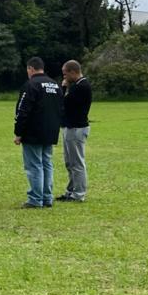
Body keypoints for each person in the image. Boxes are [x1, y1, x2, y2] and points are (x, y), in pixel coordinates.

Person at [14, 57, 63, 208]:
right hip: (51, 130)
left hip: (33, 131)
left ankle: (35, 199)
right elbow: (61, 108)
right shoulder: (55, 85)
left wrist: (18, 132)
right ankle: (47, 197)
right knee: (47, 163)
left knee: (34, 165)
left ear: (31, 69)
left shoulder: (31, 85)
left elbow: (23, 110)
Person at [58, 59, 92, 202]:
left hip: (76, 128)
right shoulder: (77, 85)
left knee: (77, 163)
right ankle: (71, 191)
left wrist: (64, 88)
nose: (64, 77)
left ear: (73, 72)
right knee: (69, 162)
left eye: (65, 74)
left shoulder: (81, 86)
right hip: (70, 127)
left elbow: (63, 103)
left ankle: (79, 194)